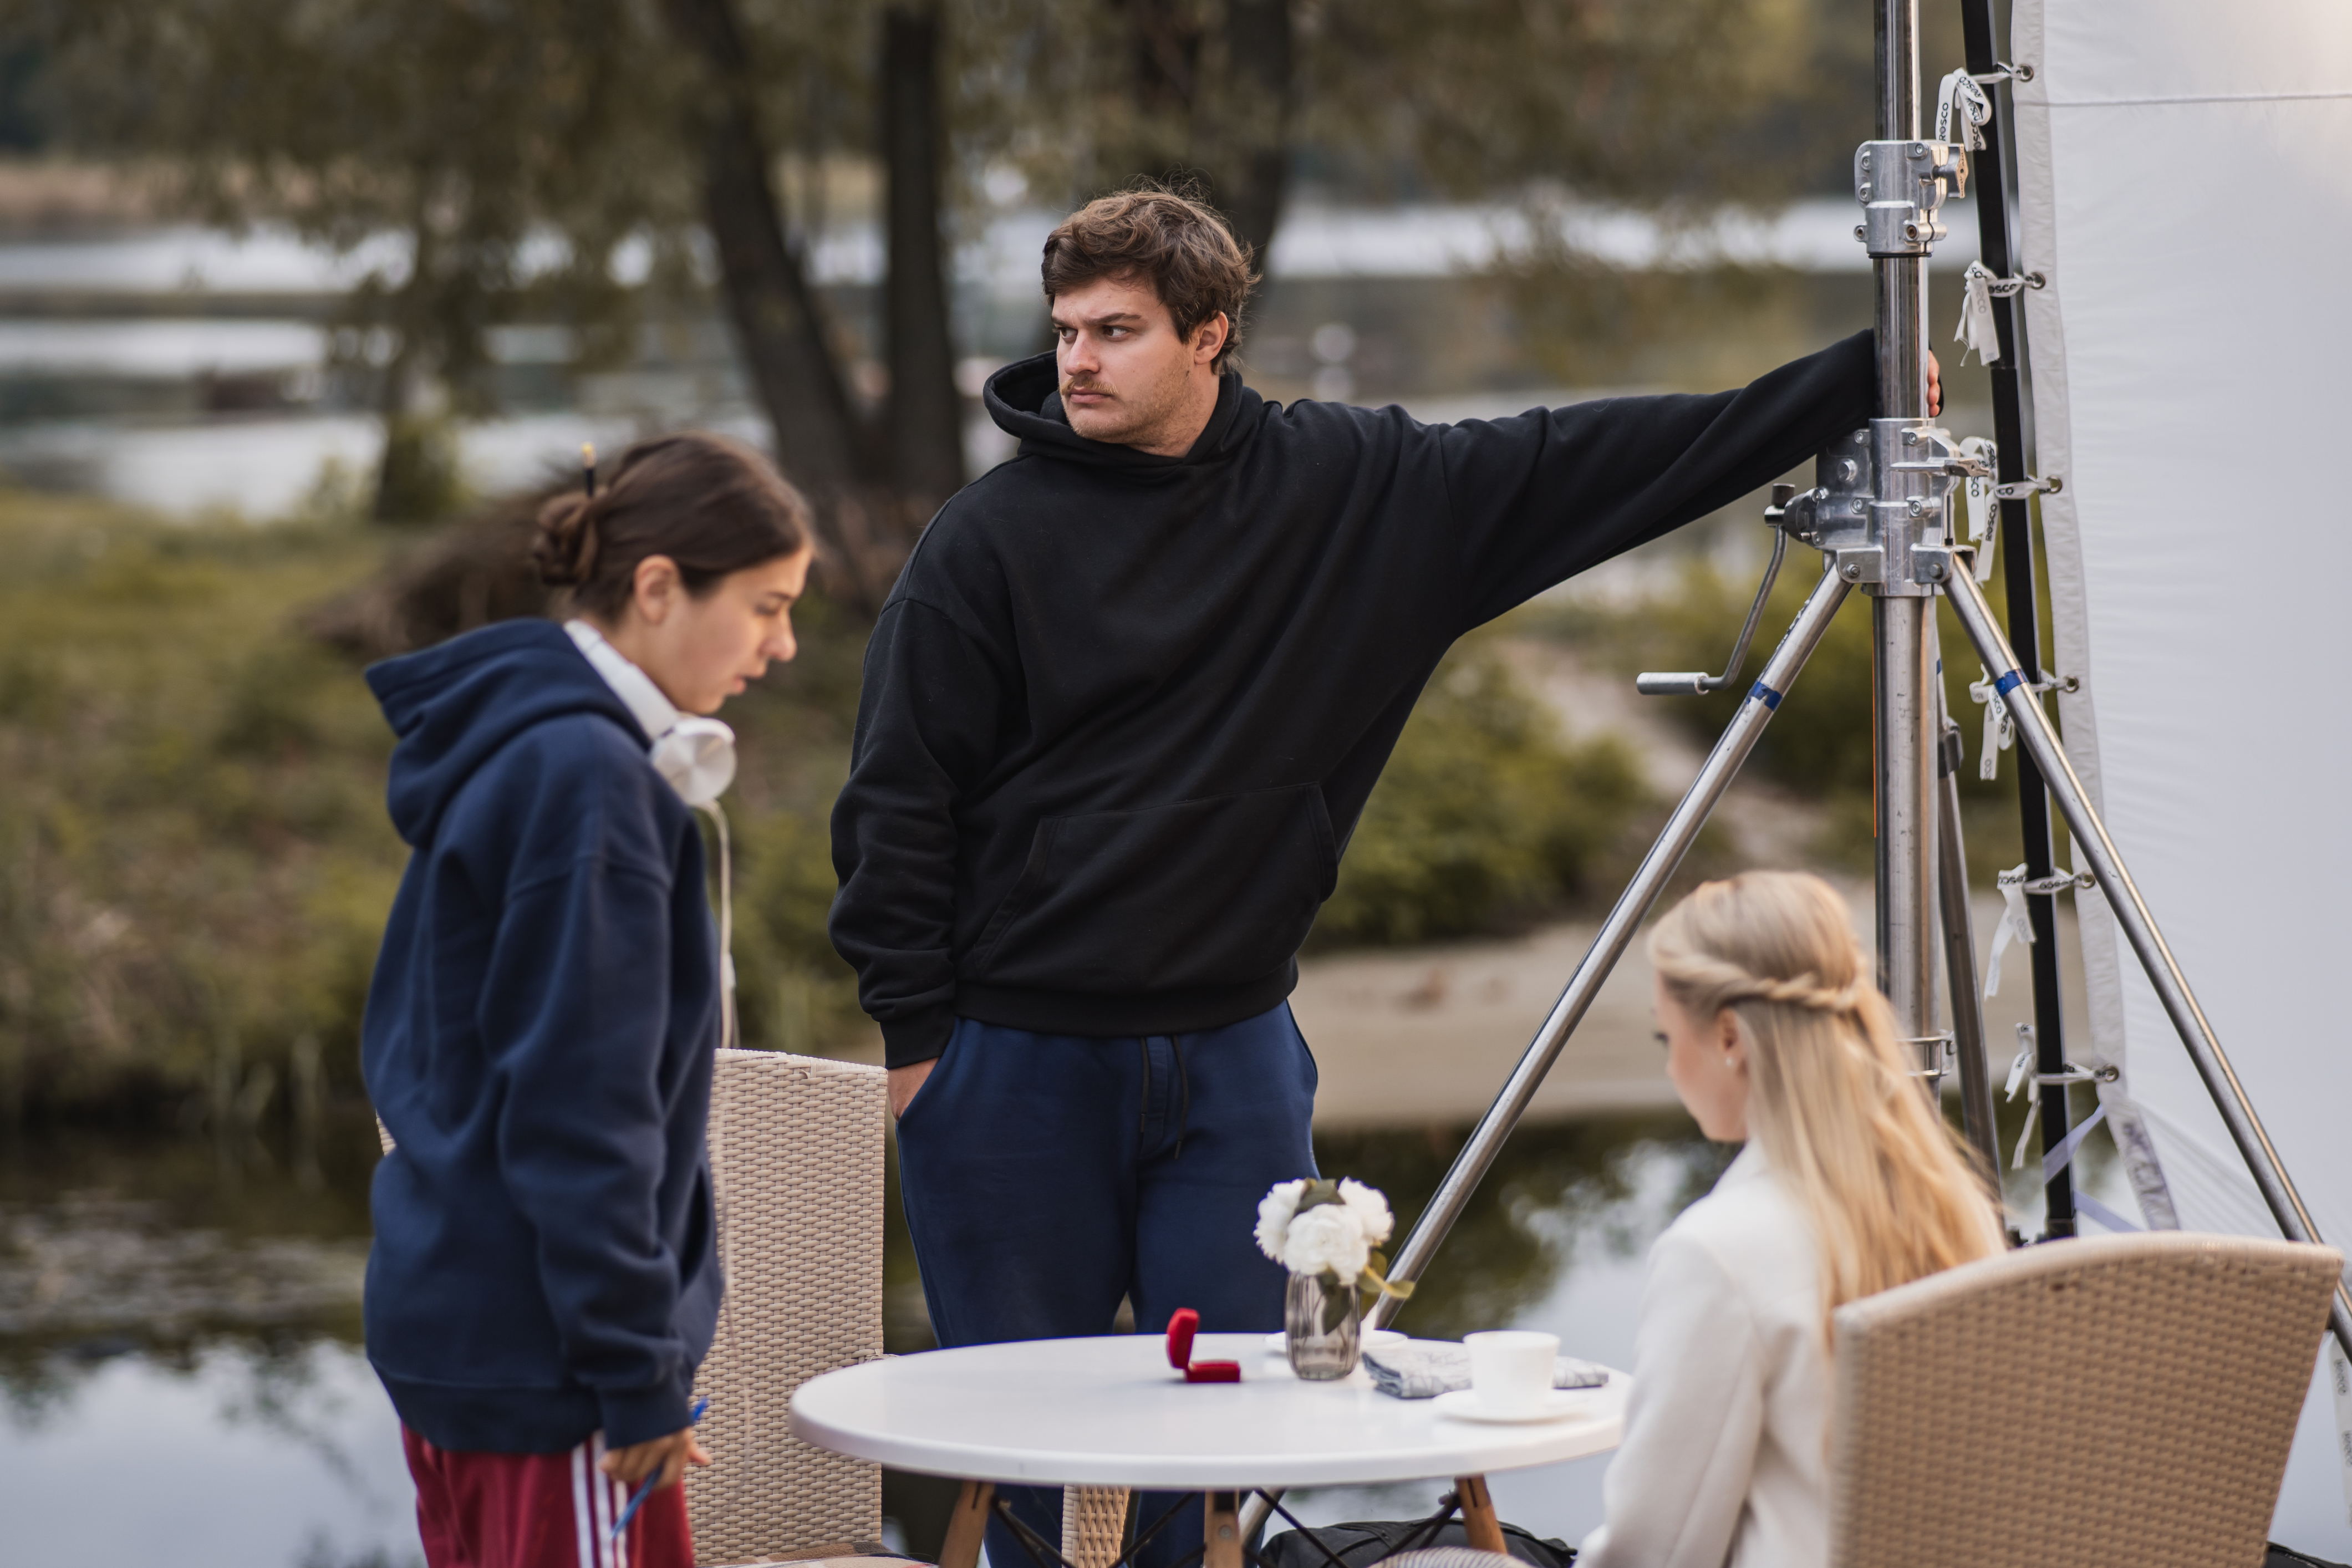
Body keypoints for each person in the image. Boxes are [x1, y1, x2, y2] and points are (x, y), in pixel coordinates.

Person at [827, 185, 1940, 1568]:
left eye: (1116, 331)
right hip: (1014, 1062)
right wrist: (919, 1039)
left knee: (1230, 1446)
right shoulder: (987, 544)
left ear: (1211, 336)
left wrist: (1862, 376)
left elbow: (1591, 460)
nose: (1076, 363)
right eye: (1065, 331)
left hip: (1236, 1057)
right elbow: (895, 795)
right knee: (1035, 1470)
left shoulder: (1359, 493)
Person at [361, 432, 813, 1568]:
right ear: (658, 587)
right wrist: (635, 1373)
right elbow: (581, 1110)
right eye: (764, 607)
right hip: (552, 1362)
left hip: (467, 1320)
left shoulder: (527, 751)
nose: (785, 643)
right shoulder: (592, 787)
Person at [1577, 870, 2004, 1568]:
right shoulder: (1954, 1206)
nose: (1670, 1067)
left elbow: (1656, 1552)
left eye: (1665, 1037)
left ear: (1728, 1036)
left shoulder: (1719, 1249)